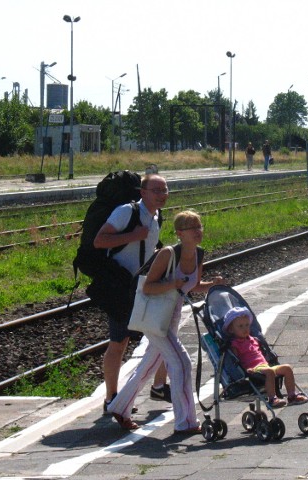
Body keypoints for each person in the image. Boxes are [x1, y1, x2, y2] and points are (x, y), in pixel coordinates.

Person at [108, 210, 225, 433]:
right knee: (182, 363)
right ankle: (186, 422)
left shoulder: (199, 254)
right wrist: (172, 284)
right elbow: (148, 287)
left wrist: (212, 284)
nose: (198, 231)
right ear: (180, 233)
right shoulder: (168, 254)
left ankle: (118, 407)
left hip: (171, 319)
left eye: (199, 226)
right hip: (154, 319)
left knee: (148, 365)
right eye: (192, 228)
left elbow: (193, 286)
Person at [93, 174, 171, 415]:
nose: (161, 194)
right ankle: (111, 398)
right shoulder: (126, 212)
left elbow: (148, 246)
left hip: (143, 285)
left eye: (165, 190)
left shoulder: (156, 215)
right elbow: (99, 240)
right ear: (143, 192)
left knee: (162, 332)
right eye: (156, 190)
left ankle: (159, 386)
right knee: (119, 342)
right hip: (120, 287)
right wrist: (132, 236)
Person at [222, 306, 308, 408]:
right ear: (231, 330)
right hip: (253, 369)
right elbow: (234, 360)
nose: (245, 329)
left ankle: (292, 395)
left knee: (287, 368)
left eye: (247, 325)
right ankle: (272, 399)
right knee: (269, 371)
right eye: (240, 326)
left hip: (264, 366)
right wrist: (244, 370)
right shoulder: (235, 344)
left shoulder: (254, 339)